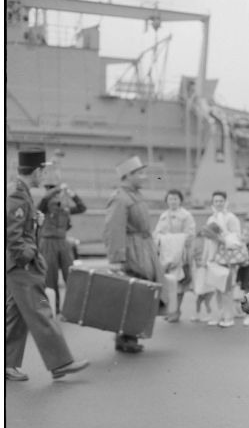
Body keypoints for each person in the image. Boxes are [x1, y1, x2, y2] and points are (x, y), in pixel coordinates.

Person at [5, 148, 90, 381]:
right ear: (36, 170)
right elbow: (12, 235)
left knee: (15, 314)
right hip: (21, 265)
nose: (44, 175)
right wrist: (29, 254)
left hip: (15, 265)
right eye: (43, 170)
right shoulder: (17, 194)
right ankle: (61, 363)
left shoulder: (19, 191)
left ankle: (7, 364)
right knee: (42, 310)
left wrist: (36, 222)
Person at [103, 156, 166, 353]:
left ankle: (129, 335)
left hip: (143, 248)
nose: (144, 177)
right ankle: (125, 337)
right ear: (127, 176)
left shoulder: (134, 195)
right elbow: (113, 230)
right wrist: (116, 259)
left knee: (141, 293)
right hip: (133, 251)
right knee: (134, 293)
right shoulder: (120, 198)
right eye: (139, 173)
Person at [37, 170, 87, 314]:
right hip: (48, 243)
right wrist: (58, 188)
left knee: (70, 275)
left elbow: (82, 208)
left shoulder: (63, 207)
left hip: (63, 242)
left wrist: (72, 194)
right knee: (50, 277)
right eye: (50, 188)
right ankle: (53, 307)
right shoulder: (44, 206)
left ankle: (74, 307)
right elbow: (44, 200)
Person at [153, 189, 196, 323]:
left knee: (179, 284)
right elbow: (157, 233)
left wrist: (175, 241)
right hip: (166, 255)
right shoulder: (163, 216)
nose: (173, 201)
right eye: (170, 199)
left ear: (180, 200)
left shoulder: (186, 216)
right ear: (167, 200)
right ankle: (170, 309)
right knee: (168, 283)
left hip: (180, 254)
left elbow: (190, 234)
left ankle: (176, 311)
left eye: (175, 199)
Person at [201, 190, 243, 328]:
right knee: (217, 288)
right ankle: (219, 314)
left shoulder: (231, 218)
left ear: (226, 202)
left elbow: (236, 238)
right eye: (216, 201)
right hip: (215, 258)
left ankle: (228, 316)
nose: (218, 203)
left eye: (221, 201)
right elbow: (207, 242)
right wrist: (206, 258)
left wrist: (221, 237)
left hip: (228, 259)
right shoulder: (211, 219)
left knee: (227, 289)